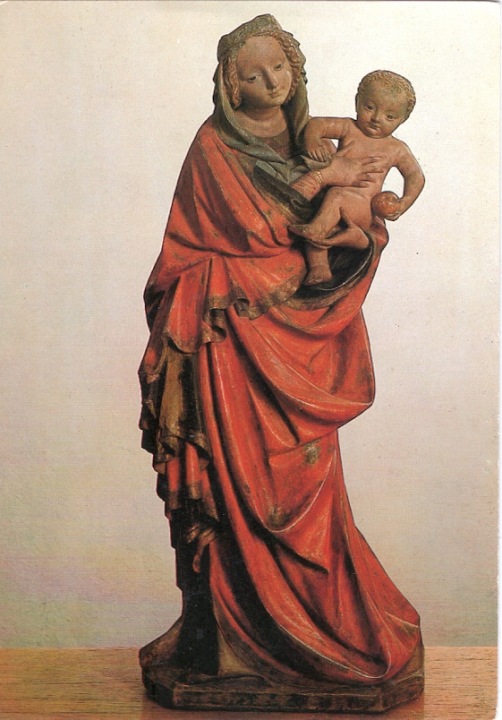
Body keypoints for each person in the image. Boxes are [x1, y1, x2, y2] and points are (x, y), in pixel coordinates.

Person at [138, 14, 423, 709]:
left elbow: (351, 234)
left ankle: (312, 634)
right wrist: (322, 200)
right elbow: (226, 241)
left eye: (280, 69)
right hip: (226, 348)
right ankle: (216, 642)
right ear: (227, 84)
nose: (269, 82)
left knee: (301, 490)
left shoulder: (314, 143)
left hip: (295, 355)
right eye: (252, 74)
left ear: (297, 74)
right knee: (222, 491)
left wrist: (365, 227)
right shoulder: (214, 148)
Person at [290, 70, 425, 285]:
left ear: (403, 120)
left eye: (390, 117)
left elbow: (415, 176)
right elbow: (317, 124)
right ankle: (319, 269)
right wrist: (312, 140)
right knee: (325, 209)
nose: (376, 118)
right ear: (357, 102)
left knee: (334, 199)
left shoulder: (396, 149)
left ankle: (317, 231)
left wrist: (403, 203)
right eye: (369, 107)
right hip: (333, 199)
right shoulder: (349, 128)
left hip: (362, 206)